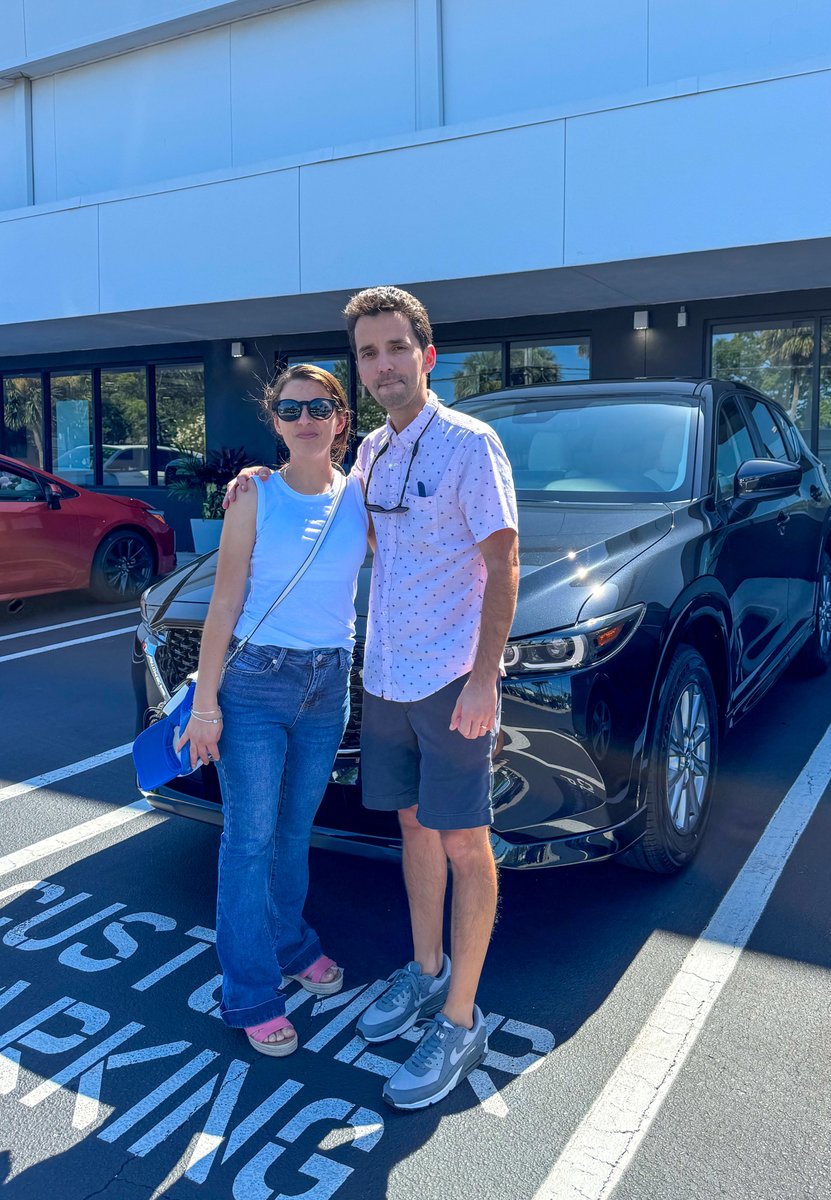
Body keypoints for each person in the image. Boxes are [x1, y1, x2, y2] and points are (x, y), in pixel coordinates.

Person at [228, 285, 520, 1109]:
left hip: (449, 682)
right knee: (414, 832)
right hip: (384, 679)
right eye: (368, 353)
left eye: (397, 348)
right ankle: (426, 972)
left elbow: (504, 562)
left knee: (466, 843)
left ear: (427, 357)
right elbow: (317, 508)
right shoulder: (374, 458)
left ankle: (461, 1019)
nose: (383, 364)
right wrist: (259, 477)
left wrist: (485, 676)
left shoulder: (471, 443)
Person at [177, 364, 369, 1057]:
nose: (307, 418)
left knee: (293, 831)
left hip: (329, 681)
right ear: (277, 422)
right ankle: (250, 991)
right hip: (256, 684)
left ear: (342, 418)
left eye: (321, 407)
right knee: (248, 839)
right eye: (292, 410)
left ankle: (291, 943)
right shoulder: (255, 495)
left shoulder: (362, 495)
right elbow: (223, 601)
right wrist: (205, 706)